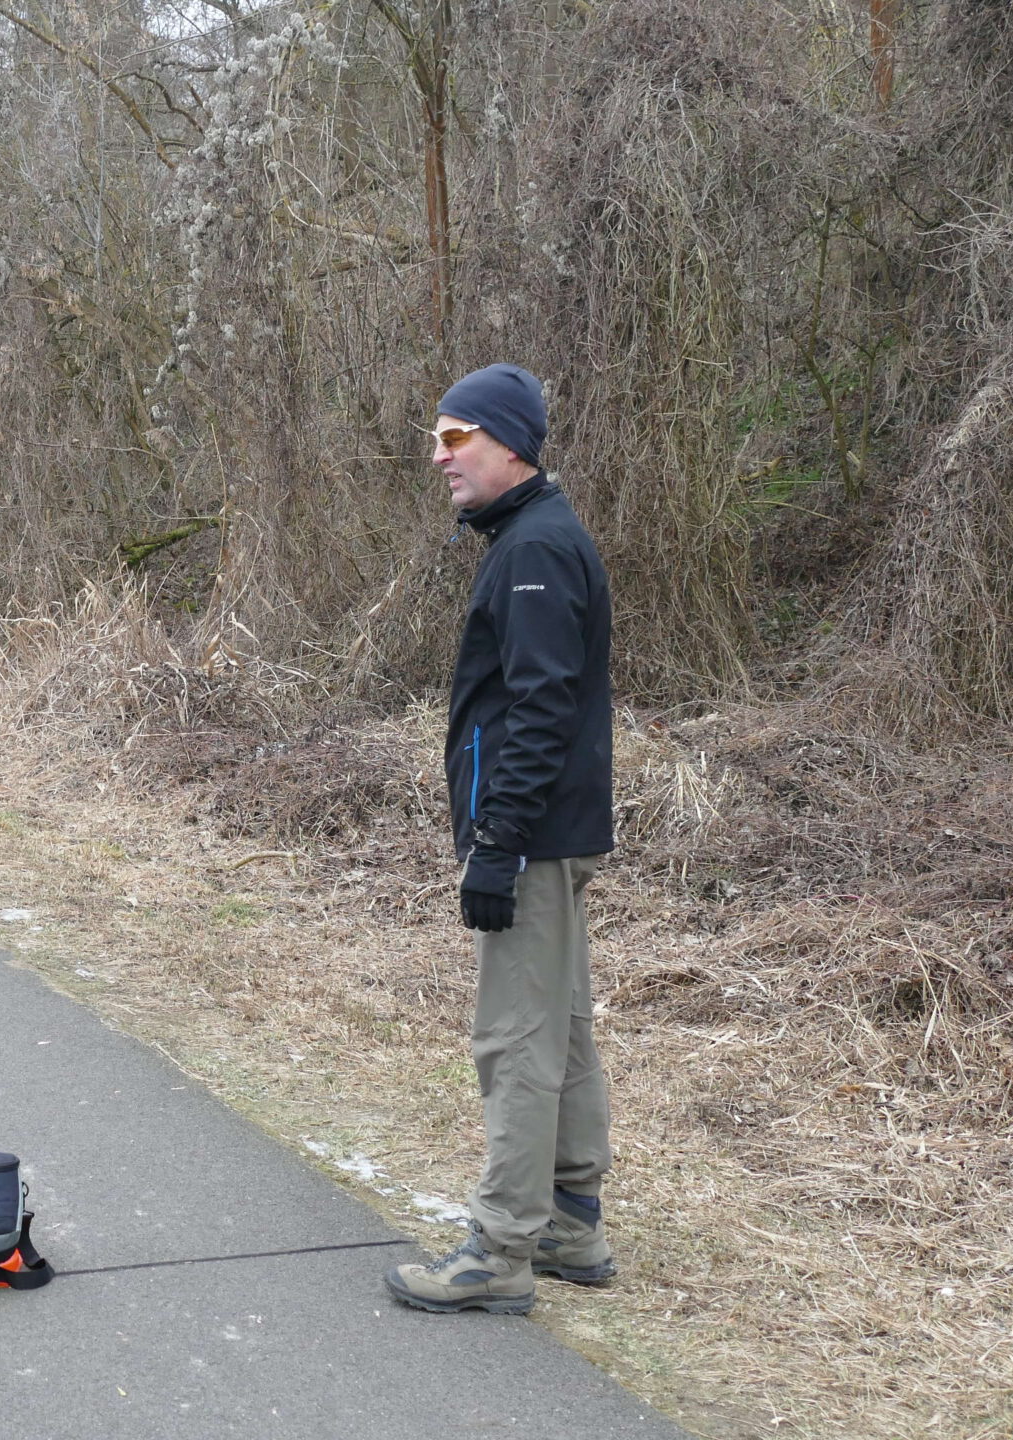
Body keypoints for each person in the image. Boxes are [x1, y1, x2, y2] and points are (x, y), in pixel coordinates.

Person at [383, 364, 617, 1317]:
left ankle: (502, 1248)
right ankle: (570, 1221)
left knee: (514, 1036)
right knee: (561, 1024)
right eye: (436, 439)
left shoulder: (535, 549)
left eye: (456, 438)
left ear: (509, 444)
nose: (439, 457)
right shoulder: (532, 537)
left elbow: (539, 708)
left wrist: (498, 841)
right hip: (550, 833)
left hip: (531, 835)